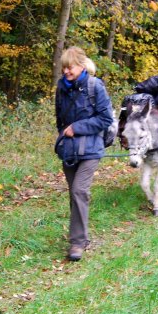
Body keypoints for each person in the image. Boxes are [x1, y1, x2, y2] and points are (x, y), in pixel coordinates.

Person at [54, 47, 113, 261]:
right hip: (69, 150)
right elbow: (60, 119)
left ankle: (77, 243)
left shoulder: (95, 87)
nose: (66, 71)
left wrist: (77, 128)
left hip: (91, 149)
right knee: (74, 194)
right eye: (64, 68)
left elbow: (106, 119)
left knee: (79, 190)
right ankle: (81, 236)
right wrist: (63, 136)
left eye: (70, 67)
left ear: (81, 66)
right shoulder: (61, 88)